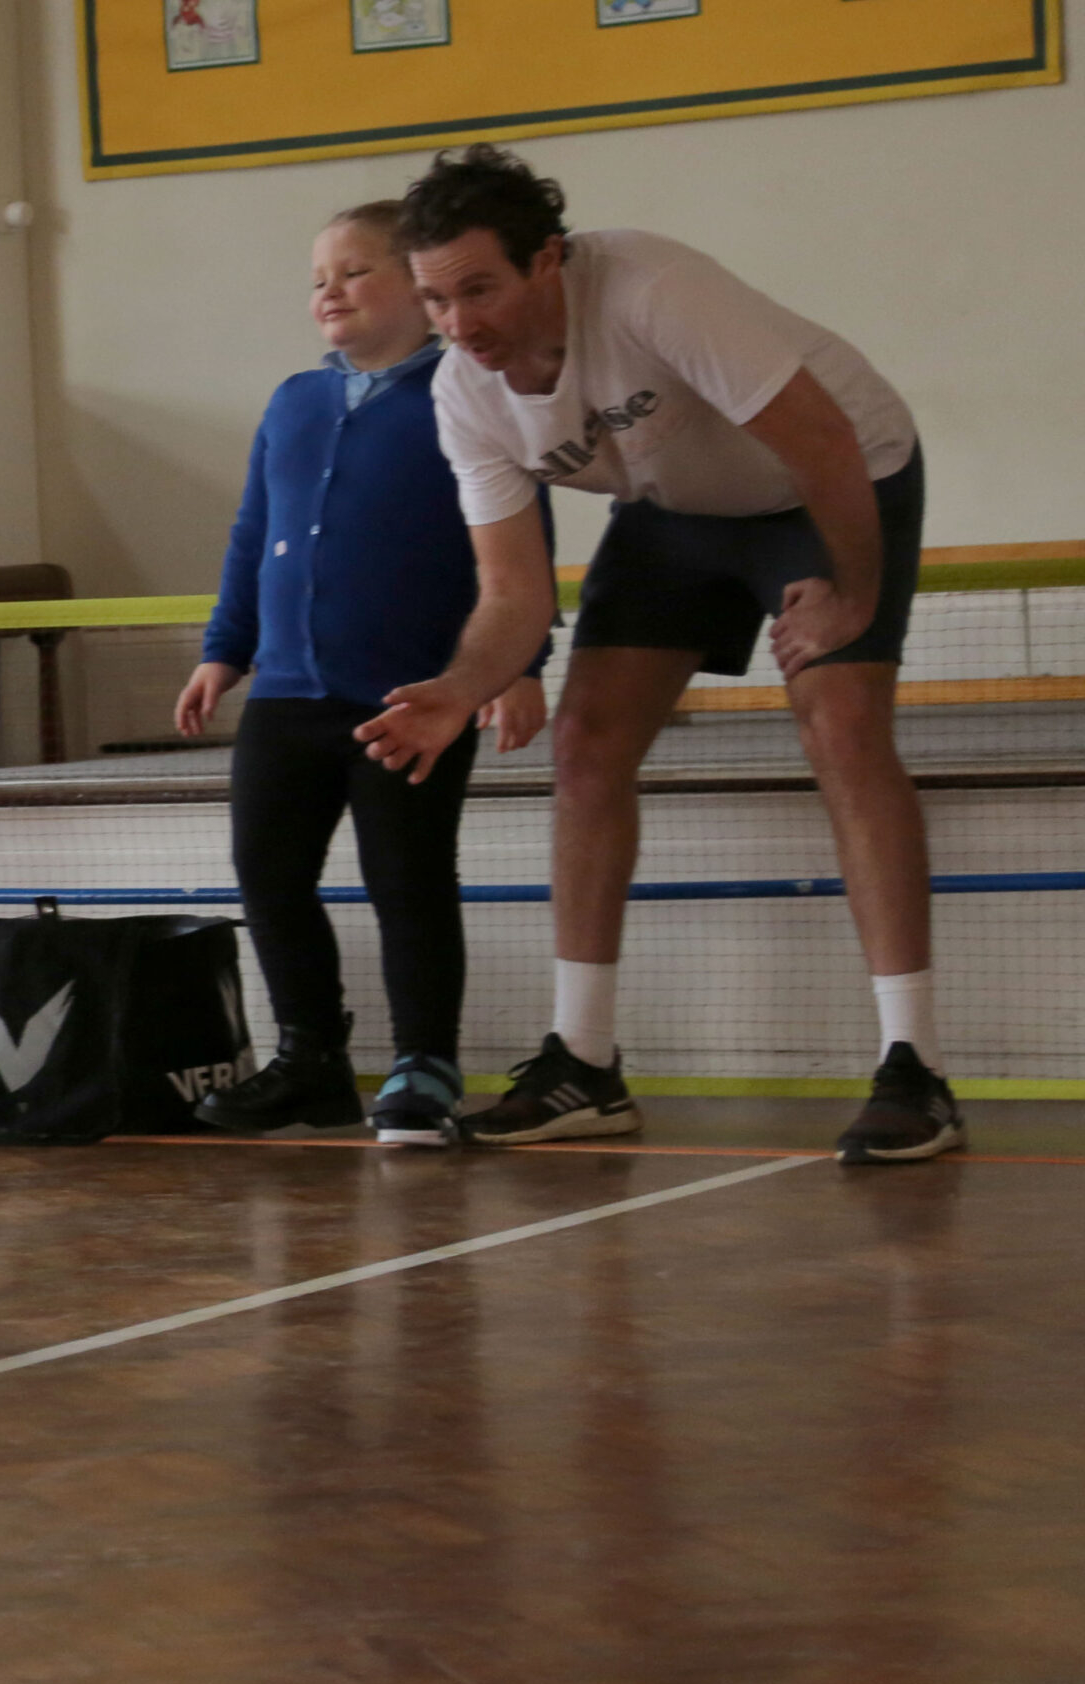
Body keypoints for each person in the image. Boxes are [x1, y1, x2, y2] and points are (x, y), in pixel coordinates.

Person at [357, 144, 962, 1163]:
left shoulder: (649, 290)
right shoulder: (464, 393)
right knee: (586, 741)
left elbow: (819, 437)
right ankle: (582, 1064)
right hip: (676, 510)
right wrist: (460, 688)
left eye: (478, 290)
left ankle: (916, 1068)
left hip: (826, 482)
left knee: (840, 722)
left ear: (546, 262)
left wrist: (853, 594)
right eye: (434, 301)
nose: (460, 325)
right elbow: (510, 593)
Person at [175, 201, 547, 1148]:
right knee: (269, 874)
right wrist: (227, 649)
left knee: (407, 877)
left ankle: (425, 1063)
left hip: (409, 698)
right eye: (316, 279)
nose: (328, 292)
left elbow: (516, 549)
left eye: (353, 272)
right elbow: (254, 532)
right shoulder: (294, 401)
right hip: (288, 694)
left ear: (420, 294)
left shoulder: (466, 394)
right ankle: (310, 1059)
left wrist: (518, 666)